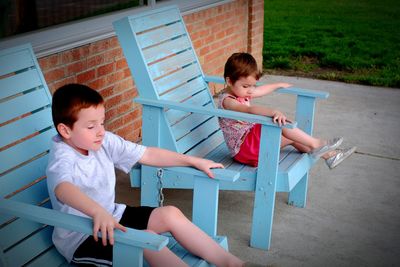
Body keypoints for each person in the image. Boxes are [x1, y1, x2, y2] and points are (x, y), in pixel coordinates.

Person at [46, 84, 259, 267]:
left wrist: (192, 160)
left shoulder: (102, 141)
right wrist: (96, 212)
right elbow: (63, 189)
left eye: (102, 122)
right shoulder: (62, 157)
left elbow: (147, 153)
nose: (101, 130)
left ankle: (233, 263)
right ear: (65, 131)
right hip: (83, 237)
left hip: (113, 216)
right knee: (146, 240)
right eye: (91, 126)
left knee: (170, 214)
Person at [218, 52, 356, 169]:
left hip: (251, 147)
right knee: (277, 122)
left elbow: (261, 90)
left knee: (292, 137)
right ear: (229, 81)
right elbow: (249, 110)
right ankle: (317, 143)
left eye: (252, 86)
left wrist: (278, 84)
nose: (250, 91)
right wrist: (273, 111)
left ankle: (330, 156)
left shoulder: (241, 91)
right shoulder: (228, 101)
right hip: (244, 150)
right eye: (246, 86)